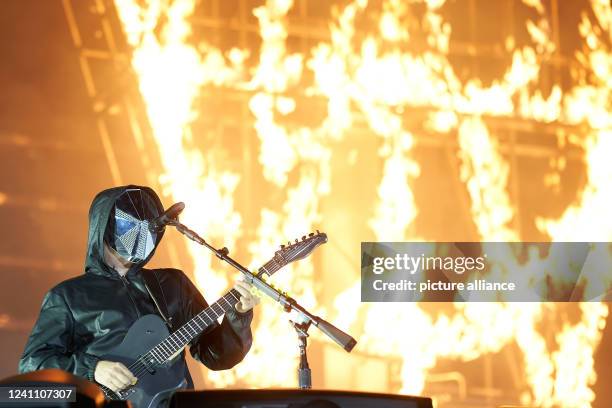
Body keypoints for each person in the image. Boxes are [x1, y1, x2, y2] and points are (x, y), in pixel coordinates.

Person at [18, 185, 259, 395]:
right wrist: (93, 369)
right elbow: (33, 364)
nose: (142, 233)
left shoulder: (172, 284)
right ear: (105, 226)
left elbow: (217, 356)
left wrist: (238, 317)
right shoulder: (68, 296)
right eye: (130, 225)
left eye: (148, 227)